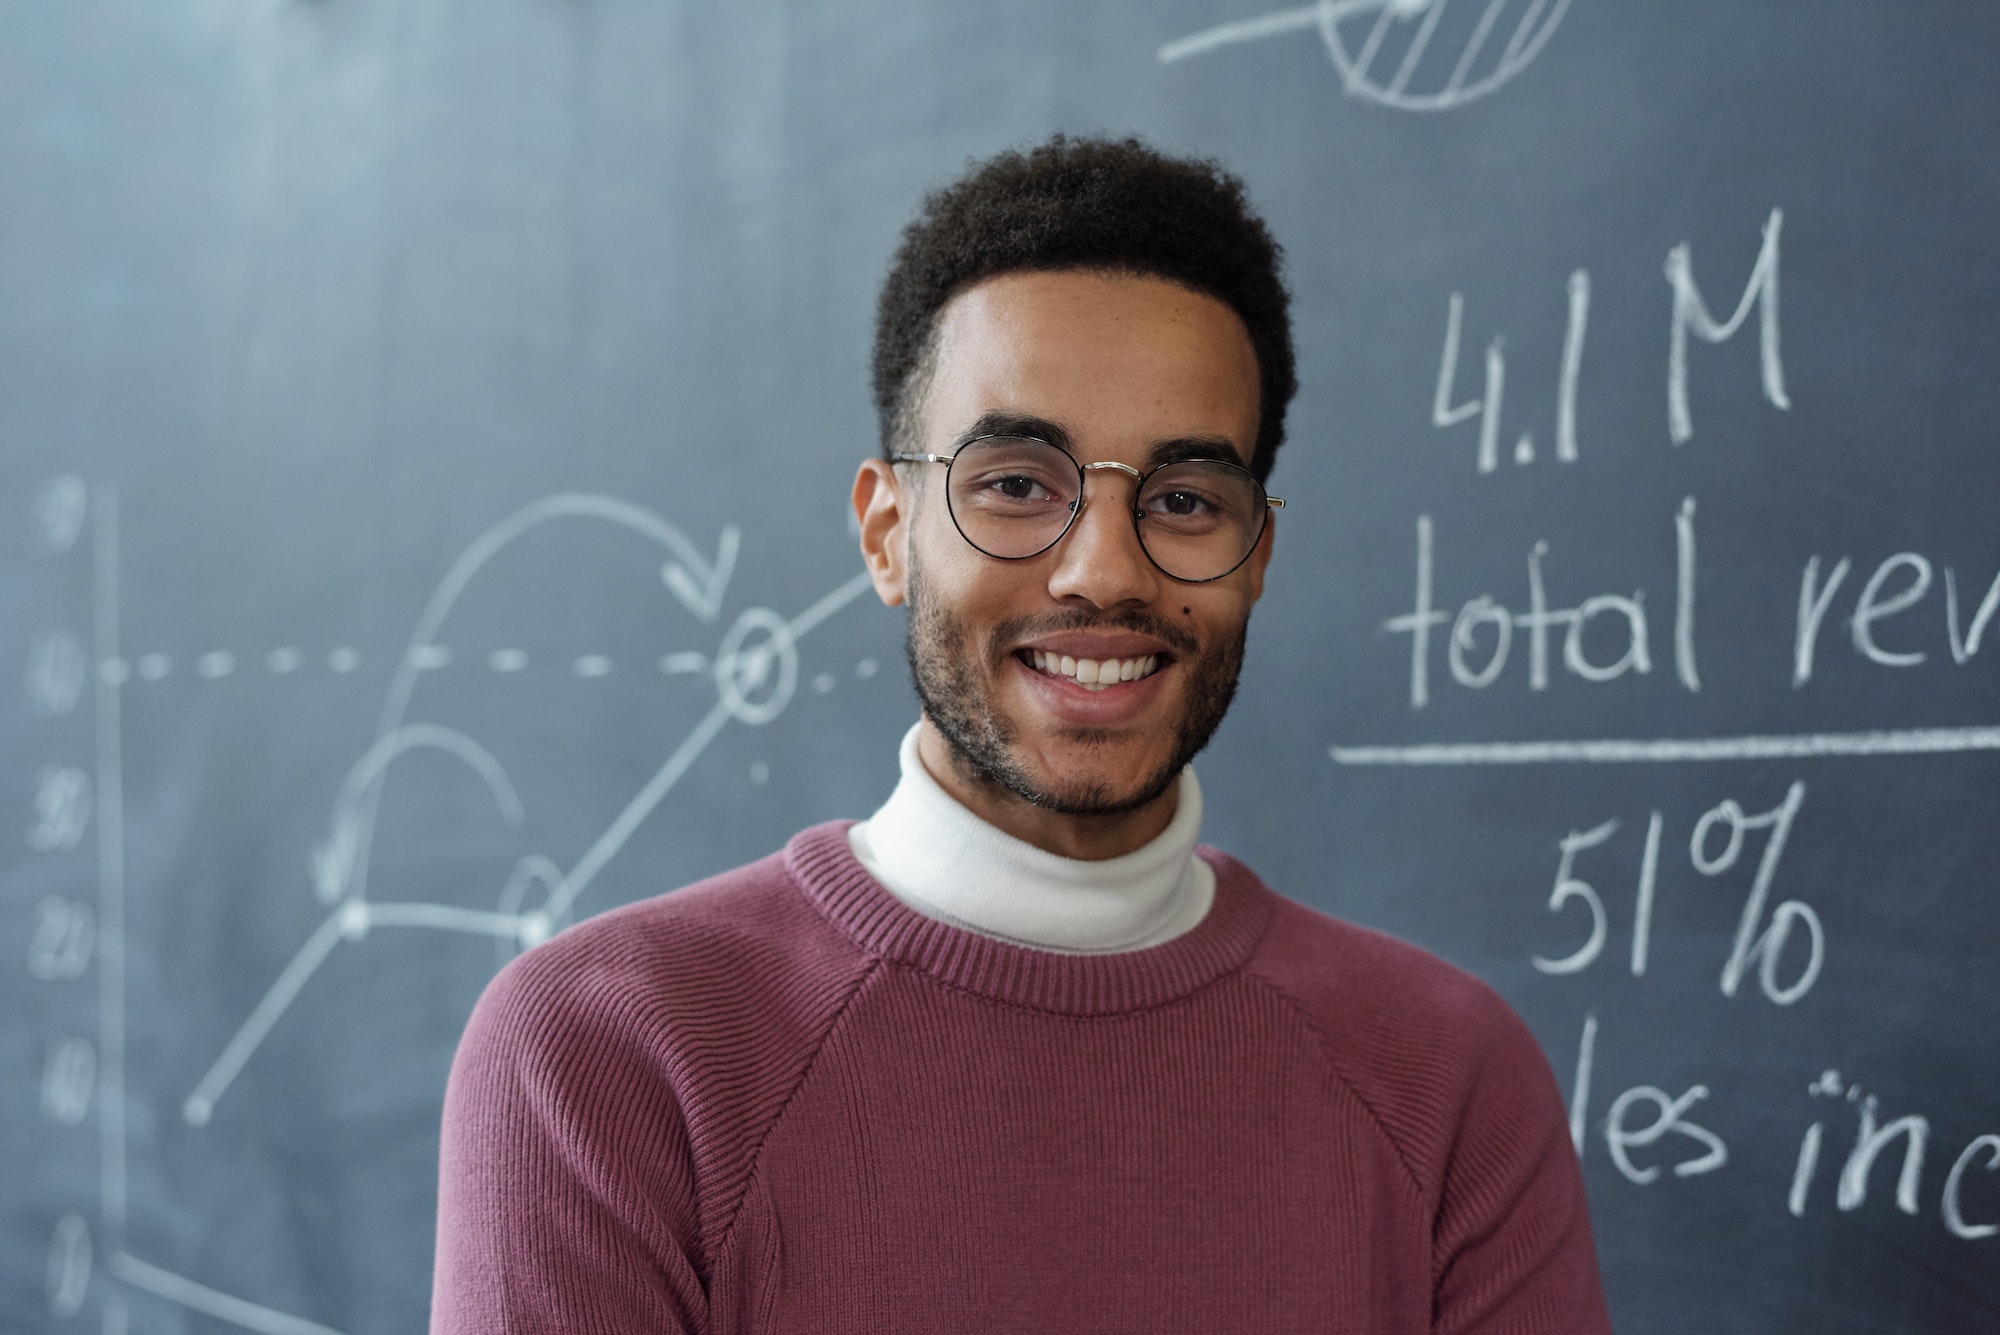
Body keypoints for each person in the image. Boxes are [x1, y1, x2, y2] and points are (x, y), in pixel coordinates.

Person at [431, 135, 1611, 1333]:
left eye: (1186, 500)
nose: (1103, 571)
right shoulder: (605, 1053)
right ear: (887, 535)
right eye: (1013, 485)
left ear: (1256, 555)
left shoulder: (1446, 1079)